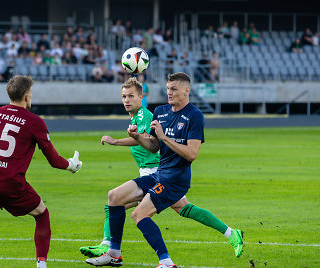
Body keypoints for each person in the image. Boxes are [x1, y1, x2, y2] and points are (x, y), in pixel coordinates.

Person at [85, 73, 244, 267]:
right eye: (168, 88)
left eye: (174, 89)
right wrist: (137, 137)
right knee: (114, 197)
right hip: (159, 174)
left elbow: (192, 154)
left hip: (176, 178)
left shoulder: (195, 116)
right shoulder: (161, 112)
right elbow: (153, 146)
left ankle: (166, 262)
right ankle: (114, 254)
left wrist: (164, 137)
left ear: (187, 91)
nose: (169, 92)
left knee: (139, 214)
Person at [0, 75, 83, 268]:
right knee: (42, 213)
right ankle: (41, 266)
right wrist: (71, 165)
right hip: (8, 181)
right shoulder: (35, 122)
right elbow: (54, 161)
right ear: (27, 97)